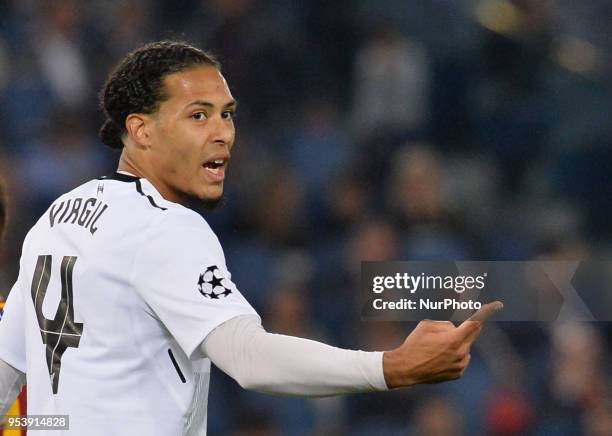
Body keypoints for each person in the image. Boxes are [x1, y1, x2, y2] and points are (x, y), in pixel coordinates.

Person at [0, 41, 502, 435]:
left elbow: (7, 372)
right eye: (198, 115)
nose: (223, 132)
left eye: (228, 113)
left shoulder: (56, 218)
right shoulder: (165, 226)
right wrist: (391, 366)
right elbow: (247, 357)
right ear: (142, 130)